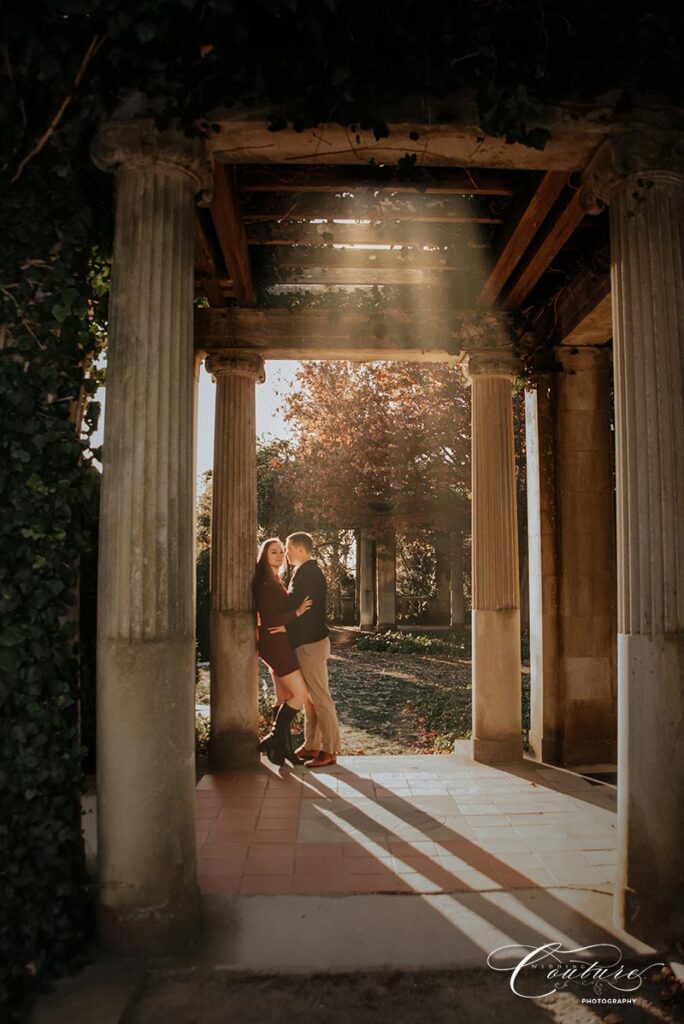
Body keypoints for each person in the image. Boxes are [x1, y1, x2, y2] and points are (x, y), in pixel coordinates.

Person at [253, 537, 312, 767]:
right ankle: (274, 738)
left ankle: (281, 751)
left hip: (276, 642)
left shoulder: (274, 580)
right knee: (300, 695)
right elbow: (268, 619)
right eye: (273, 552)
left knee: (283, 697)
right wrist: (295, 613)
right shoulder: (266, 585)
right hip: (275, 644)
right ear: (264, 557)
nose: (278, 555)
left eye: (280, 551)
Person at [284, 532, 341, 768]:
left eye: (288, 548)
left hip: (310, 644)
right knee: (309, 699)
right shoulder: (303, 571)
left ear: (299, 549)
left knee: (320, 698)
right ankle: (312, 745)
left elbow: (292, 603)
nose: (286, 553)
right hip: (305, 643)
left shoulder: (309, 573)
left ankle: (330, 750)